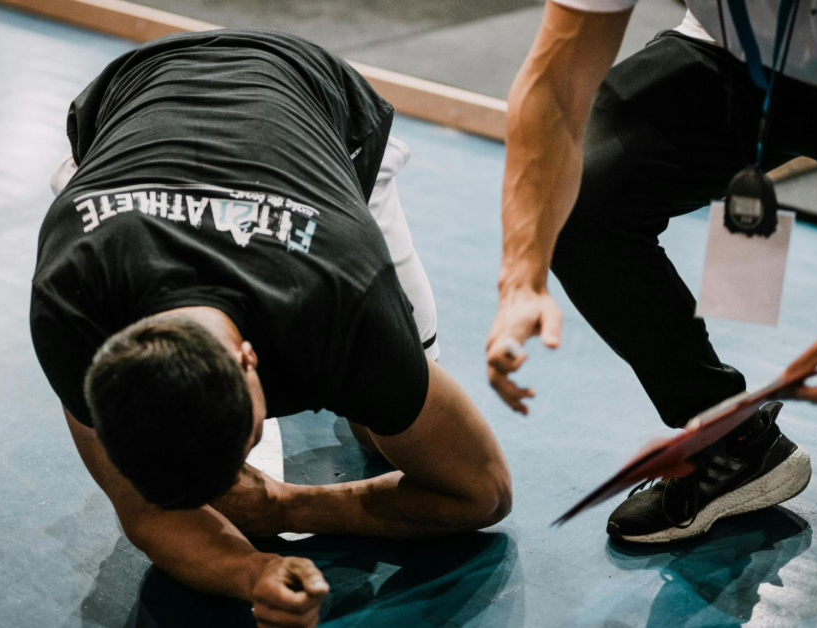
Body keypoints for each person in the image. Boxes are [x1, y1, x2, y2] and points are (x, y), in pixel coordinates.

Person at [487, 0, 817, 543]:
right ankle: (732, 443)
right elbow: (554, 85)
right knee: (582, 202)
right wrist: (521, 278)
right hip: (735, 59)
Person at [30, 29, 512, 628]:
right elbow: (148, 511)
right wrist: (251, 572)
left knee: (373, 429)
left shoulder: (346, 302)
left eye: (247, 441)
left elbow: (483, 493)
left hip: (307, 85)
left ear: (250, 359)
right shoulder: (70, 307)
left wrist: (293, 505)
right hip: (130, 96)